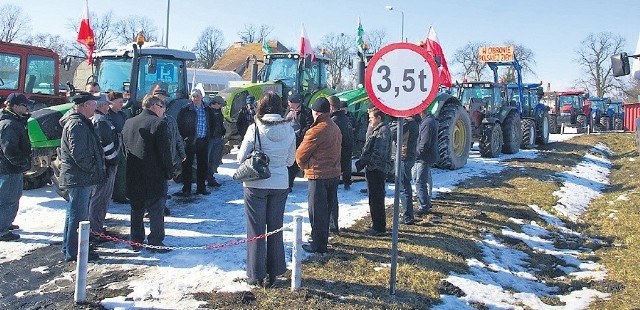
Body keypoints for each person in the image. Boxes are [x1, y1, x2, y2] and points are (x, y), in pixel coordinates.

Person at [237, 92, 295, 288]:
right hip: (279, 183)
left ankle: (256, 274)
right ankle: (275, 271)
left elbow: (240, 158)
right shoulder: (289, 130)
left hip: (256, 184)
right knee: (275, 228)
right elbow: (290, 161)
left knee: (256, 230)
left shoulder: (254, 128)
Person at [122, 95, 173, 253]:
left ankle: (136, 240)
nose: (164, 110)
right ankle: (155, 241)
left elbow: (124, 149)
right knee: (156, 211)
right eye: (163, 106)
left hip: (133, 173)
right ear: (155, 106)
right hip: (154, 176)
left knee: (136, 210)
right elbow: (164, 153)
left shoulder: (129, 122)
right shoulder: (158, 124)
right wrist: (169, 172)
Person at [59, 92, 105, 261]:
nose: (96, 107)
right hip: (79, 177)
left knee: (74, 215)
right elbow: (79, 154)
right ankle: (74, 252)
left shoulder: (81, 123)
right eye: (93, 104)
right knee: (77, 217)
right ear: (85, 105)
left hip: (80, 176)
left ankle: (70, 248)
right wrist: (93, 169)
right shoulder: (76, 125)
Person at [295, 97, 342, 253]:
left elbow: (300, 155)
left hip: (318, 175)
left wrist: (305, 167)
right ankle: (321, 239)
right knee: (326, 210)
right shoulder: (334, 127)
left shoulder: (316, 130)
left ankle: (318, 245)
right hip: (333, 174)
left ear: (315, 112)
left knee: (316, 212)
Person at [0, 93, 33, 242]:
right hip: (9, 169)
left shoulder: (14, 122)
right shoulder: (10, 124)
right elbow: (10, 150)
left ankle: (5, 222)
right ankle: (2, 229)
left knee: (11, 197)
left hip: (11, 168)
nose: (27, 108)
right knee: (8, 199)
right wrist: (23, 163)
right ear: (14, 106)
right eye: (24, 105)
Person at [355, 107, 392, 236]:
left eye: (371, 118)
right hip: (374, 169)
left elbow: (378, 154)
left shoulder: (383, 131)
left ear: (378, 118)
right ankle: (376, 223)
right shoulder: (378, 130)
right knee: (374, 198)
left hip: (377, 170)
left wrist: (369, 164)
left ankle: (379, 227)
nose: (370, 120)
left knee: (377, 198)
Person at [88, 94, 120, 238]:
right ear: (101, 105)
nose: (109, 107)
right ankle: (95, 229)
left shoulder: (102, 119)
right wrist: (113, 160)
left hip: (105, 165)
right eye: (106, 104)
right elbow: (106, 144)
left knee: (103, 198)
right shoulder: (100, 121)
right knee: (100, 198)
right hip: (105, 166)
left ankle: (98, 226)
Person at [177, 89, 210, 196]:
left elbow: (212, 123)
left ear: (201, 96)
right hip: (190, 142)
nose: (195, 98)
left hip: (203, 141)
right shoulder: (185, 109)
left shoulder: (207, 109)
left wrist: (209, 135)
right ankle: (187, 189)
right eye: (193, 96)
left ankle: (201, 188)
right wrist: (185, 137)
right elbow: (180, 124)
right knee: (187, 166)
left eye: (197, 96)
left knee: (203, 166)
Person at [390, 115, 419, 225]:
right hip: (408, 156)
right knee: (405, 186)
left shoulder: (407, 123)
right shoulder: (414, 122)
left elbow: (392, 133)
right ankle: (407, 214)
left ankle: (407, 216)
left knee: (404, 187)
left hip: (404, 157)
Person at [285, 93, 313, 190]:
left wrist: (300, 133)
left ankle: (290, 183)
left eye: (290, 102)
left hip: (298, 139)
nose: (288, 104)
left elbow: (309, 125)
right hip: (287, 138)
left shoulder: (306, 112)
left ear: (296, 103)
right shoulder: (288, 110)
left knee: (293, 162)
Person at [415, 109, 440, 217]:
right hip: (424, 156)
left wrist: (415, 154)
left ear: (420, 112)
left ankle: (424, 205)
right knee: (424, 180)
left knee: (420, 181)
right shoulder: (427, 121)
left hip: (424, 157)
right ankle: (425, 201)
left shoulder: (428, 123)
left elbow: (424, 143)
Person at [108, 91, 130, 204]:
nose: (122, 104)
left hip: (122, 146)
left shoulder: (122, 115)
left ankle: (120, 194)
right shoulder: (107, 115)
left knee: (122, 170)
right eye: (119, 102)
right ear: (111, 102)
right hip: (111, 146)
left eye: (122, 102)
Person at [206, 95, 226, 188]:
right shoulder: (208, 112)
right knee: (209, 159)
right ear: (216, 104)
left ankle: (211, 176)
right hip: (210, 139)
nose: (221, 106)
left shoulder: (218, 112)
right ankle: (208, 177)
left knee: (214, 159)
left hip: (218, 137)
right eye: (221, 104)